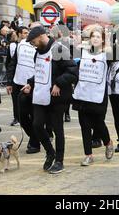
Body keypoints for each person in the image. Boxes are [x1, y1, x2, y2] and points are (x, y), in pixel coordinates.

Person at [24, 26, 78, 174]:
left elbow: (73, 72)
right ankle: (50, 152)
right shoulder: (38, 53)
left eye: (33, 41)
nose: (32, 44)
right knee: (37, 125)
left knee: (57, 129)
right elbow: (41, 73)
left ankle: (59, 160)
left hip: (57, 98)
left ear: (41, 36)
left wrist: (59, 83)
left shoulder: (59, 49)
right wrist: (30, 83)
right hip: (40, 96)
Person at [72, 25, 114, 166]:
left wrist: (107, 38)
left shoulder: (105, 54)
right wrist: (78, 38)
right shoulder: (84, 52)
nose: (95, 39)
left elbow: (111, 51)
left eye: (98, 37)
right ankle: (88, 155)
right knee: (84, 125)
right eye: (93, 36)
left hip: (97, 95)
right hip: (82, 93)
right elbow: (75, 49)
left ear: (101, 40)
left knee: (98, 123)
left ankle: (108, 142)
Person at [6, 24, 43, 154]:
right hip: (18, 83)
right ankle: (35, 136)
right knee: (21, 116)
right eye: (26, 31)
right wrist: (9, 82)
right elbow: (13, 63)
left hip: (34, 85)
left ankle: (35, 142)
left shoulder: (41, 47)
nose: (28, 34)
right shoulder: (20, 45)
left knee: (34, 116)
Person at [6, 26, 29, 126]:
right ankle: (16, 118)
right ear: (19, 34)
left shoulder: (32, 45)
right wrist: (9, 81)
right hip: (16, 78)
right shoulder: (14, 46)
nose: (26, 35)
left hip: (27, 79)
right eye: (24, 33)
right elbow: (10, 63)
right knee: (15, 100)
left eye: (27, 33)